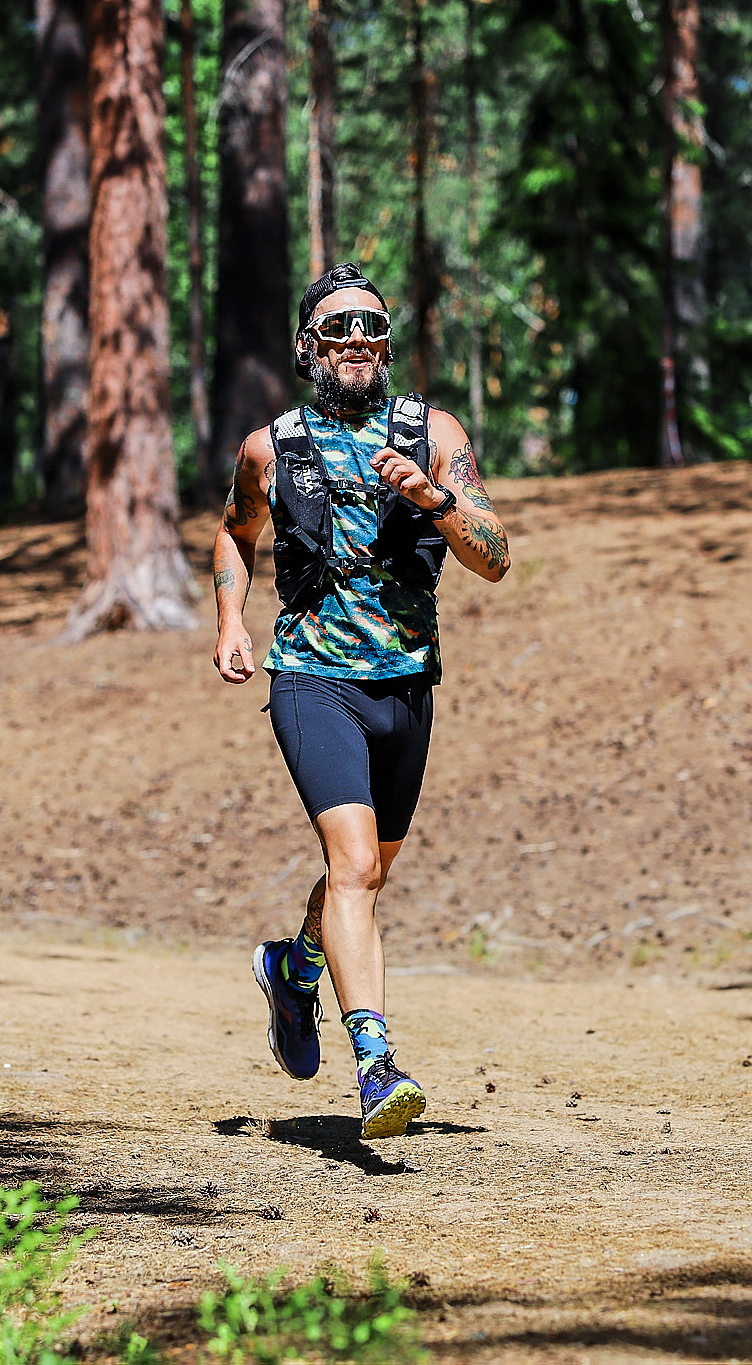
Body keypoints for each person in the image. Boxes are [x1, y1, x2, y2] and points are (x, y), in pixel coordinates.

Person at [212, 263, 511, 1139]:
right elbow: (235, 532)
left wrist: (437, 498)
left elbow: (494, 556)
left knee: (371, 869)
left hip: (409, 681)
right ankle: (377, 1064)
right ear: (309, 347)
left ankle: (294, 964)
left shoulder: (434, 433)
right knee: (354, 867)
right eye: (338, 329)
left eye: (372, 329)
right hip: (312, 678)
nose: (356, 343)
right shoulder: (272, 446)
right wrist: (231, 619)